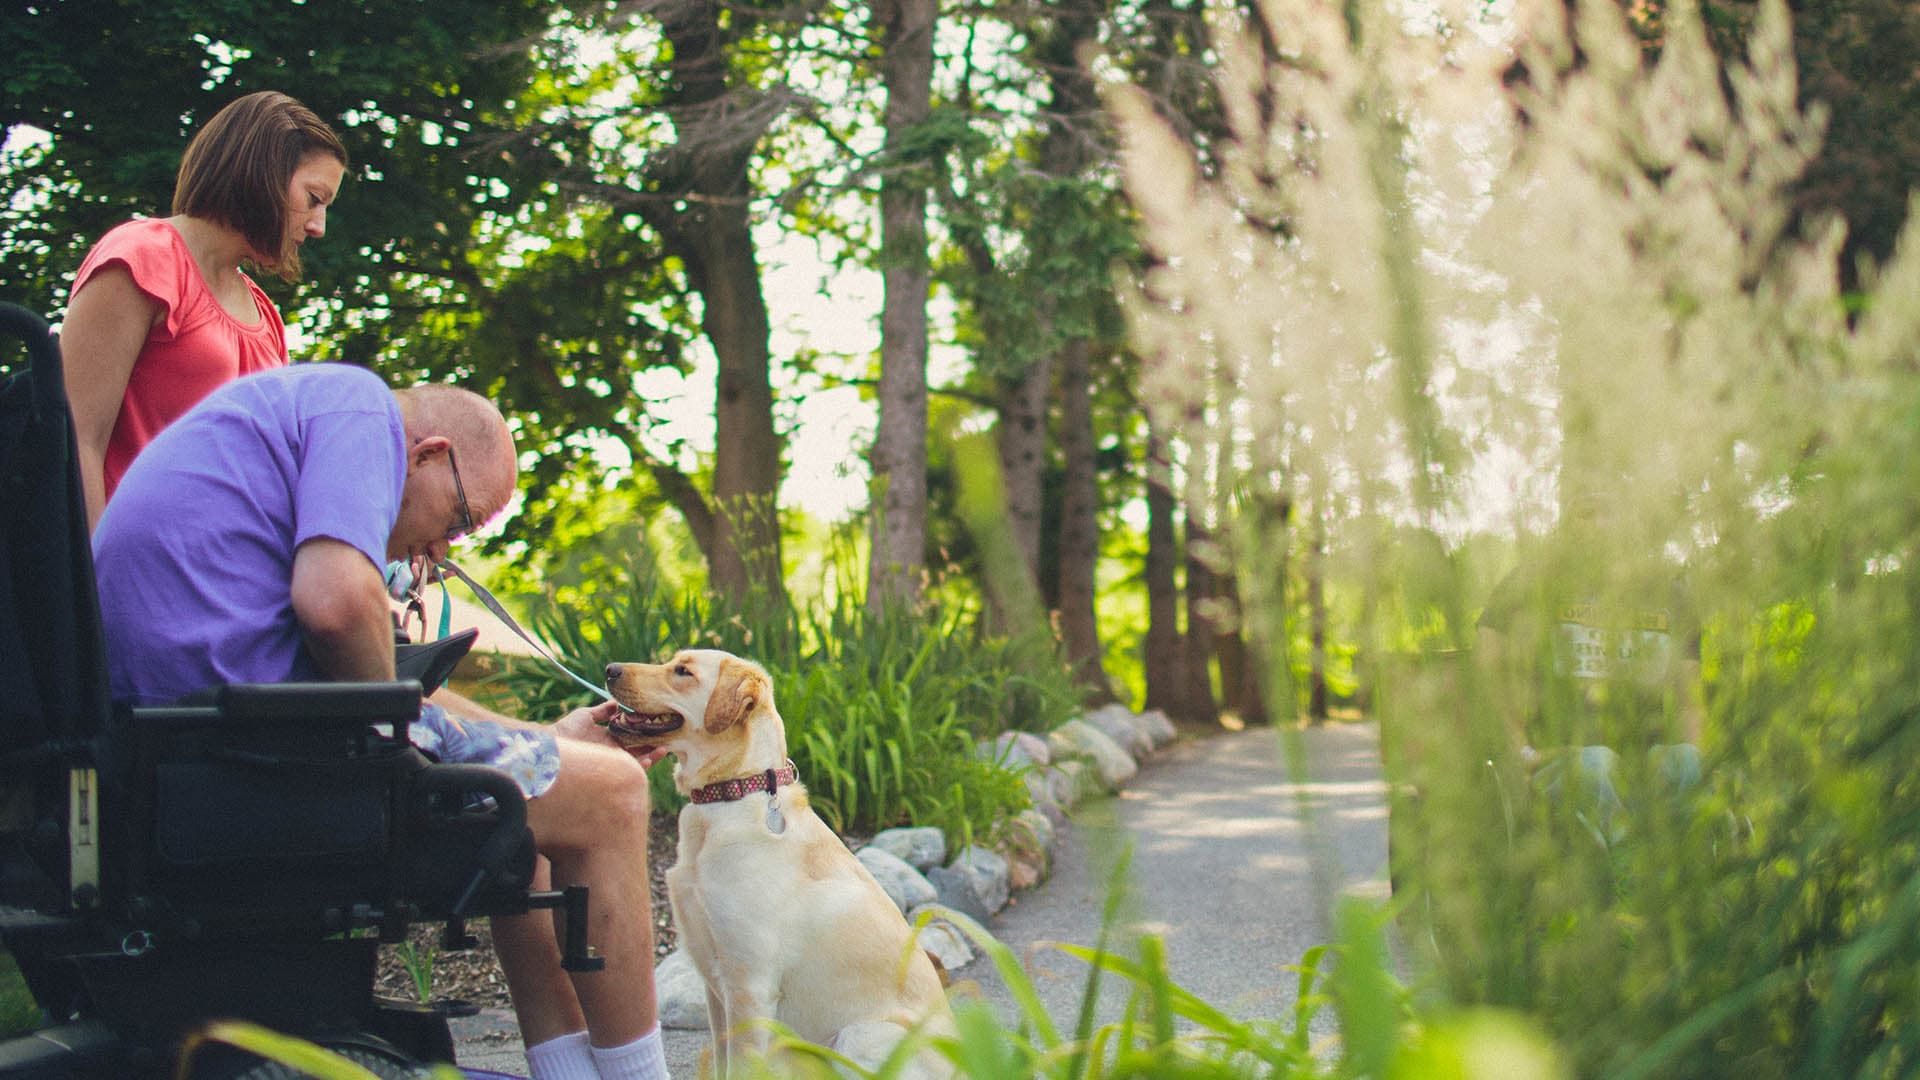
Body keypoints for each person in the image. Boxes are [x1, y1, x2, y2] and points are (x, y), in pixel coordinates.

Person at [91, 363, 671, 1080]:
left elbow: (389, 691)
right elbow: (337, 605)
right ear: (428, 455)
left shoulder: (289, 424)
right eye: (457, 521)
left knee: (549, 801)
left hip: (205, 732)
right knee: (615, 793)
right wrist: (404, 739)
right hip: (252, 751)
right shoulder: (360, 409)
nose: (439, 553)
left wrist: (545, 743)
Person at [62, 90, 348, 530]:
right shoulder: (144, 258)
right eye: (314, 198)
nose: (318, 227)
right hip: (125, 577)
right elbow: (75, 438)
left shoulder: (266, 316)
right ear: (264, 172)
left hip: (213, 587)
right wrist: (93, 584)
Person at [1476, 489, 1704, 843]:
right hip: (1561, 756)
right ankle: (1623, 881)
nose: (1600, 525)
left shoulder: (1669, 596)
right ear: (1567, 523)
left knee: (1689, 765)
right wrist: (1521, 750)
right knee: (1600, 765)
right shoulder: (1532, 583)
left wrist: (1696, 752)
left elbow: (1691, 701)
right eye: (1586, 513)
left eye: (1612, 513)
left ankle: (1692, 880)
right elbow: (1488, 668)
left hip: (1647, 758)